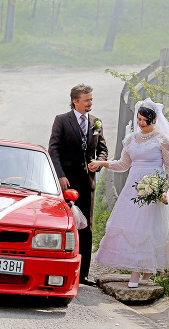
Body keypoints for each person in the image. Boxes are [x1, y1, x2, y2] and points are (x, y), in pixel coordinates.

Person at [89, 98, 169, 288]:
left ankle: (139, 271)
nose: (140, 124)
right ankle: (140, 269)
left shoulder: (163, 140)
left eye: (144, 120)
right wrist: (101, 163)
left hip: (153, 187)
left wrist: (161, 189)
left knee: (147, 229)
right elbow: (123, 164)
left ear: (154, 120)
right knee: (130, 226)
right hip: (133, 186)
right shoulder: (131, 139)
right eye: (139, 119)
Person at [48, 84, 108, 286]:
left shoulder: (96, 122)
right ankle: (59, 269)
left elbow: (103, 148)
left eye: (91, 99)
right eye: (87, 99)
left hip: (87, 182)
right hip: (66, 183)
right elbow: (53, 149)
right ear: (75, 100)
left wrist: (98, 163)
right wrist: (60, 176)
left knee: (87, 228)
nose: (91, 103)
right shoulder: (62, 121)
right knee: (65, 224)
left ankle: (83, 275)